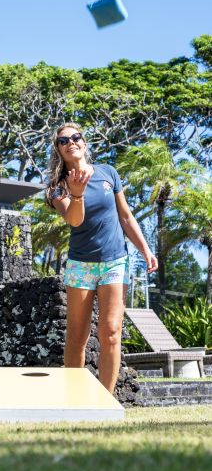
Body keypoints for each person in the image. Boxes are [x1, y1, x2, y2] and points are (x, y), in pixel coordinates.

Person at [46, 122, 158, 394]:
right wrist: (77, 194)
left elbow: (125, 216)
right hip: (81, 265)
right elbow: (75, 220)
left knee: (110, 333)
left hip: (115, 261)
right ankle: (75, 399)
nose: (71, 142)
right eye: (64, 141)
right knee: (76, 338)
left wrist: (145, 249)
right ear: (59, 150)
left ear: (84, 143)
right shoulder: (56, 189)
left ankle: (106, 401)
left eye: (76, 137)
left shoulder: (108, 173)